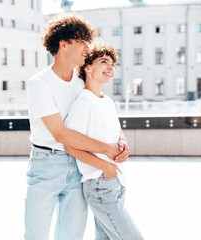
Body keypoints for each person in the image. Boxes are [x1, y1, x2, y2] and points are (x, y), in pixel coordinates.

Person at [25, 14, 130, 240]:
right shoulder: (40, 84)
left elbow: (103, 111)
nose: (87, 47)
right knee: (36, 234)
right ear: (63, 44)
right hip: (46, 163)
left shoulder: (82, 79)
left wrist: (121, 141)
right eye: (81, 41)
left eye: (87, 41)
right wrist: (107, 150)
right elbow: (61, 134)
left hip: (79, 164)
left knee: (71, 236)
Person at [64, 42, 144, 240]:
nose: (111, 67)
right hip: (100, 183)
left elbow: (114, 133)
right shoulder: (84, 101)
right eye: (103, 62)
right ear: (88, 67)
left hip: (116, 181)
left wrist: (123, 144)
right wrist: (104, 168)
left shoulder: (106, 101)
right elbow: (69, 144)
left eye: (113, 64)